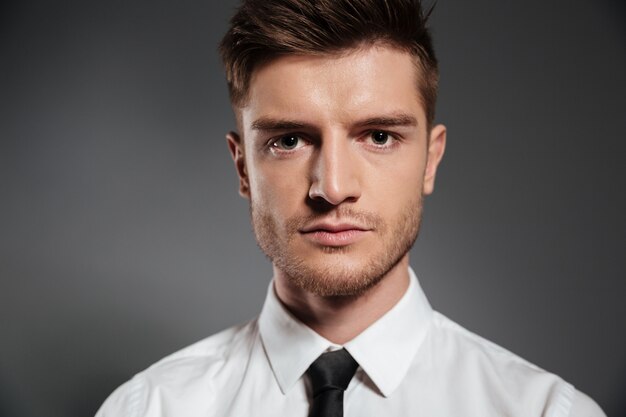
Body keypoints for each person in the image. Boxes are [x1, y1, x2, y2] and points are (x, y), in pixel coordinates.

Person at [96, 0, 606, 416]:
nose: (332, 187)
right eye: (289, 140)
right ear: (243, 169)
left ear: (430, 160)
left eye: (379, 136)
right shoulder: (148, 408)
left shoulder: (546, 411)